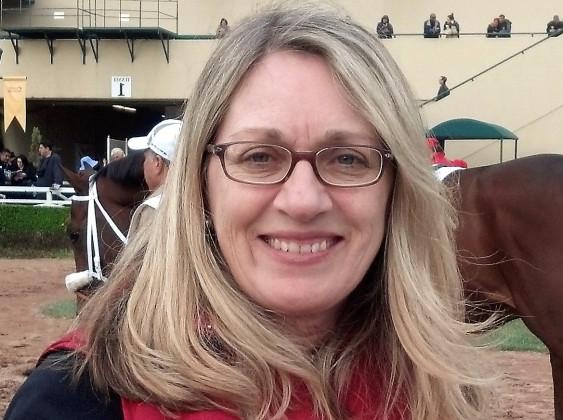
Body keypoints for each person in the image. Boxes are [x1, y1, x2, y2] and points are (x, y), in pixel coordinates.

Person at [6, 4, 491, 420]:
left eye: (348, 159)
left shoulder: (443, 391)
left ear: (396, 188)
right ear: (201, 183)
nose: (303, 201)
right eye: (258, 157)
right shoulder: (77, 400)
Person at [126, 119, 182, 238]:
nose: (143, 166)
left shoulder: (154, 209)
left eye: (145, 159)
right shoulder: (202, 201)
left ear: (157, 162)